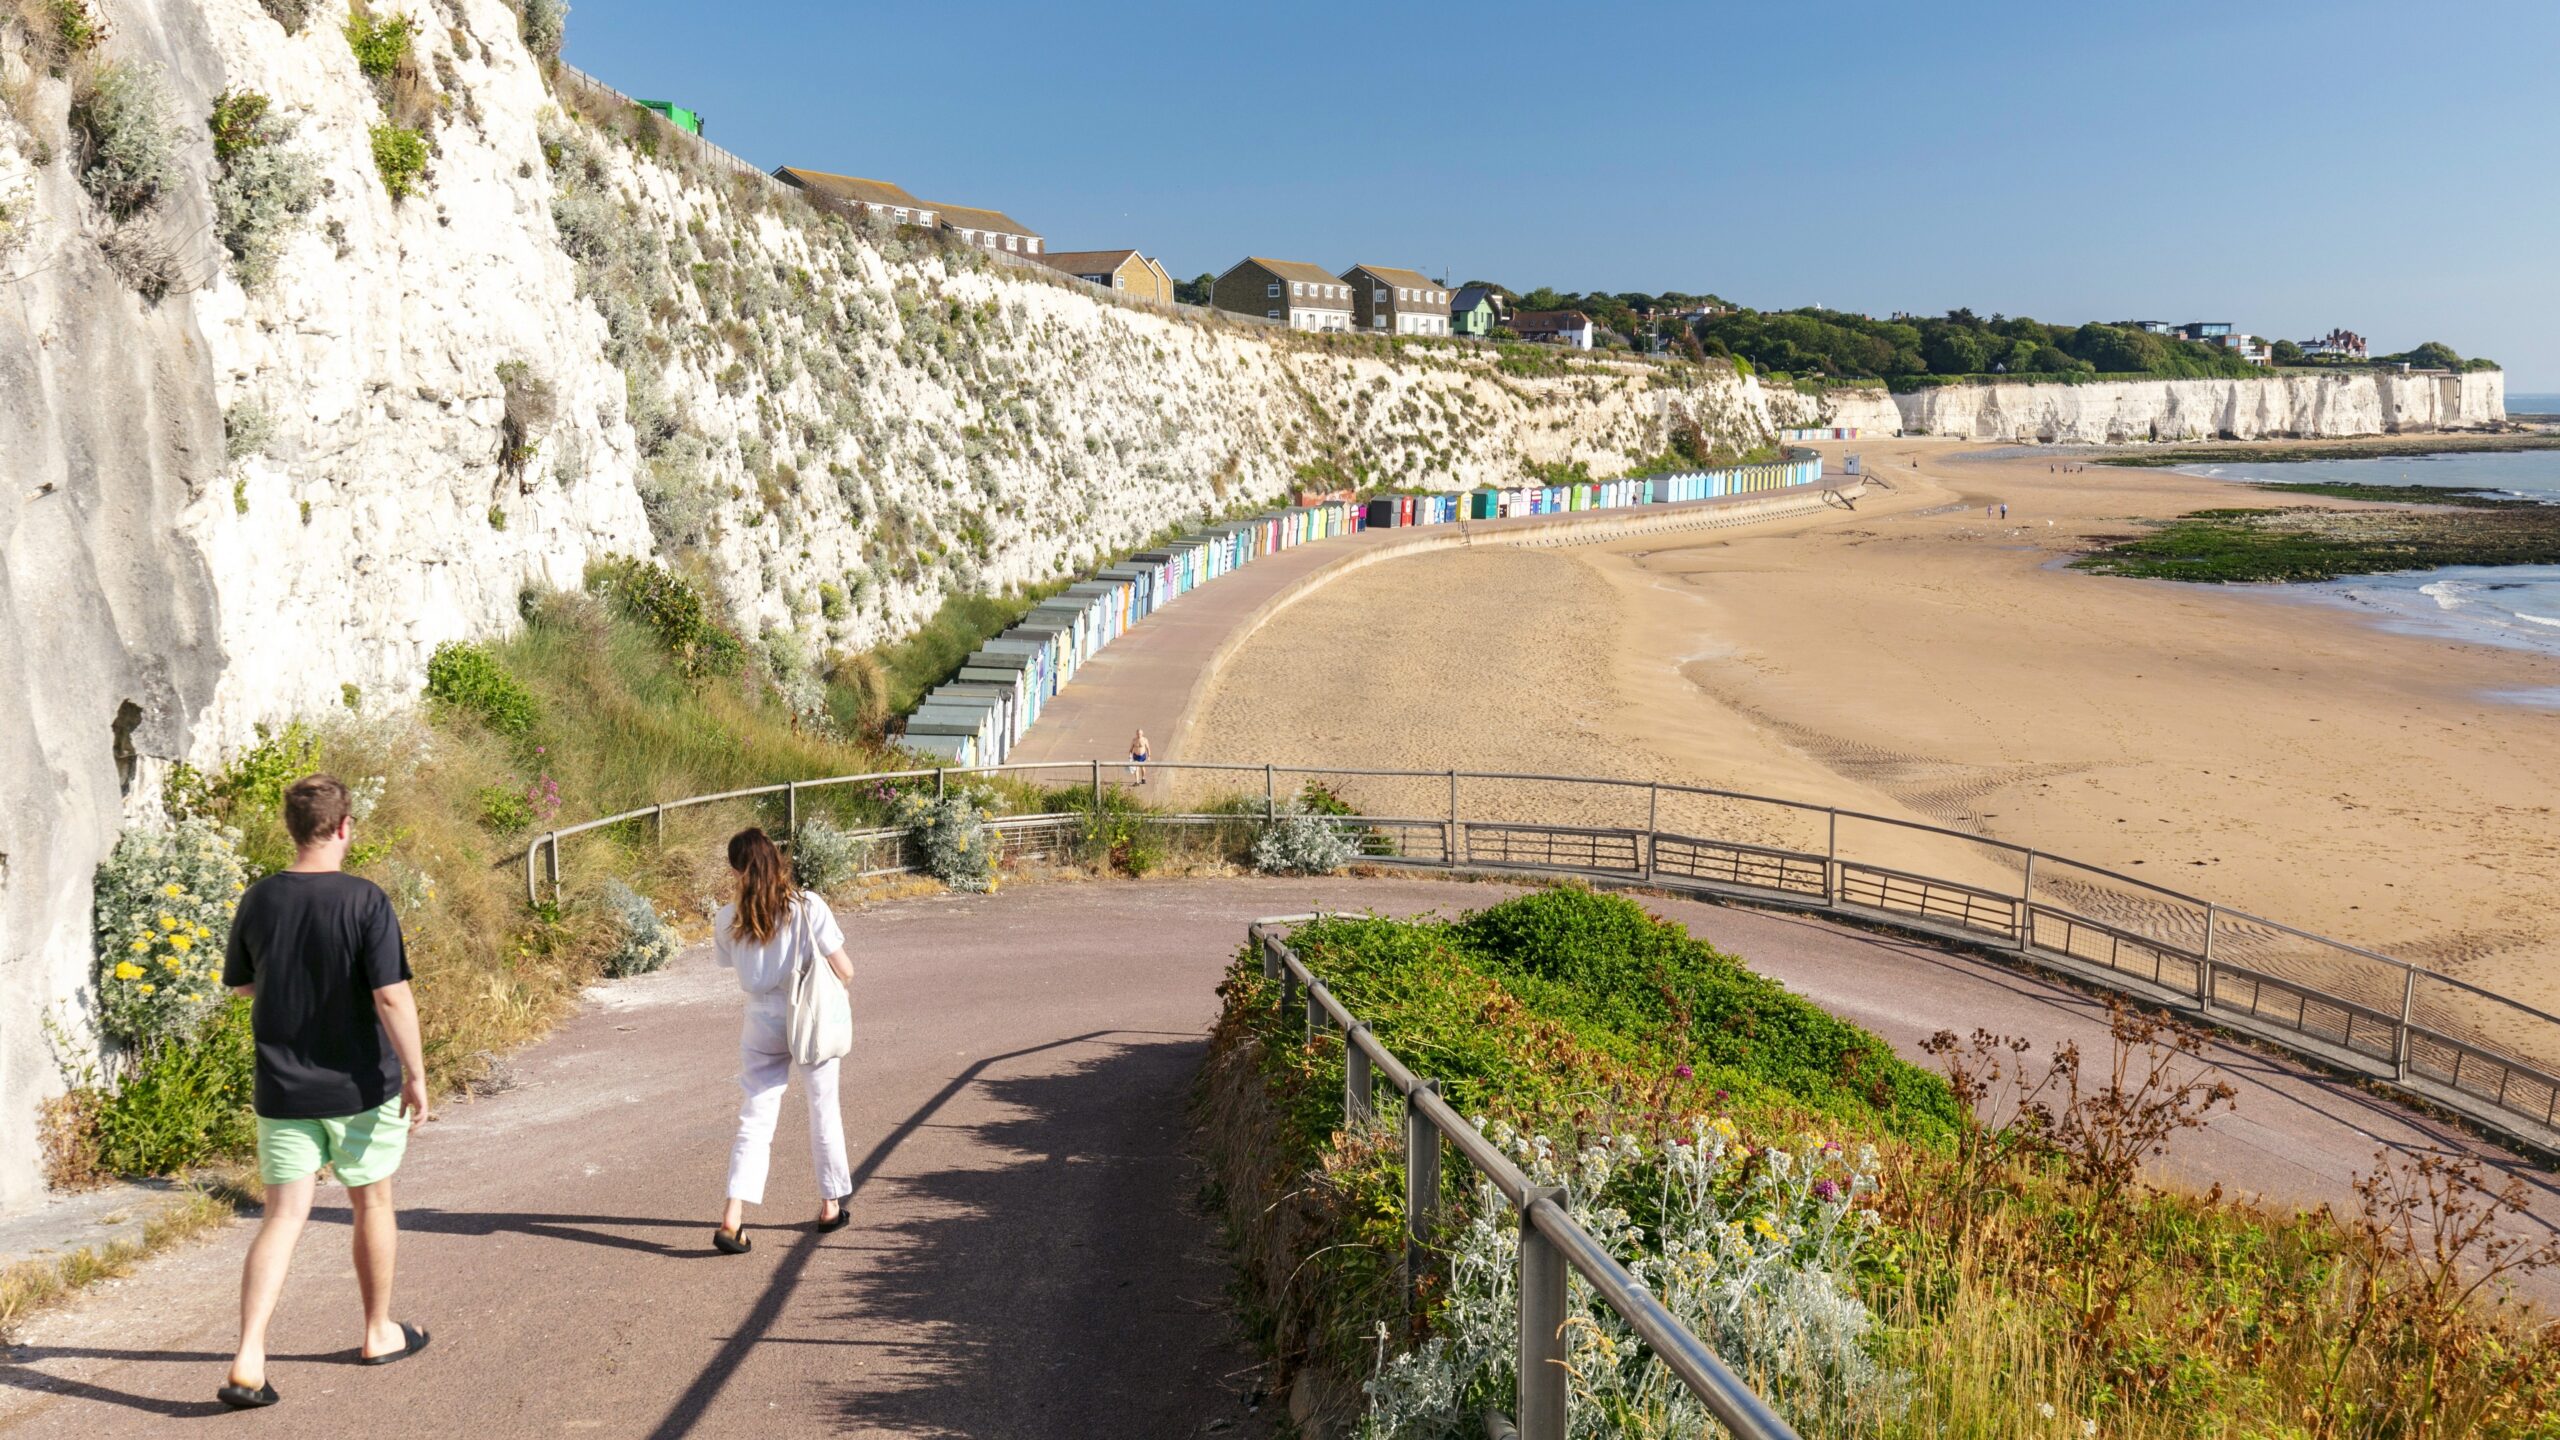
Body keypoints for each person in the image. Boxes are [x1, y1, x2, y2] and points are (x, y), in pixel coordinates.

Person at [219, 775, 430, 1410]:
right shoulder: (366, 900)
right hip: (360, 1086)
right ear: (344, 827)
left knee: (282, 1217)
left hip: (283, 1088)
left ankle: (249, 1356)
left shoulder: (258, 901)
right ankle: (377, 1332)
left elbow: (243, 988)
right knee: (373, 1203)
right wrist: (415, 1073)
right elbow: (390, 994)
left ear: (292, 827)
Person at [711, 828, 855, 1254]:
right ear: (776, 859)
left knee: (755, 1117)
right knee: (822, 1109)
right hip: (809, 1017)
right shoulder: (807, 907)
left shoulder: (726, 918)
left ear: (736, 870)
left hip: (761, 1021)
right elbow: (845, 968)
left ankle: (732, 1217)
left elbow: (728, 963)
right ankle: (829, 1205)